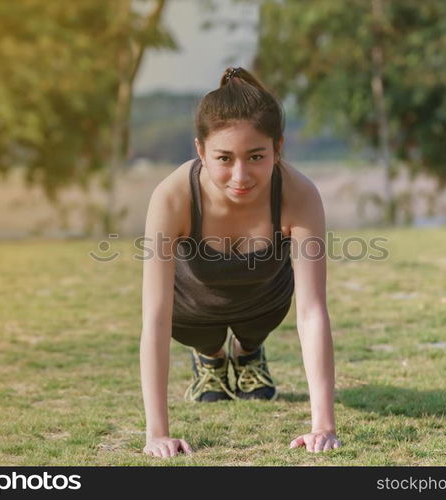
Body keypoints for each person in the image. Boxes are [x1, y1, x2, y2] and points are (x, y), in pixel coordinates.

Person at [140, 67, 340, 458]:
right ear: (200, 151)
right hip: (192, 309)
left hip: (264, 302)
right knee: (205, 339)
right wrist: (157, 433)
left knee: (254, 331)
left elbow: (312, 310)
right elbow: (156, 316)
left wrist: (323, 426)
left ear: (277, 148)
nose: (241, 175)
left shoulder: (298, 194)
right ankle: (211, 359)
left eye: (256, 156)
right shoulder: (171, 196)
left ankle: (249, 354)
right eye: (224, 158)